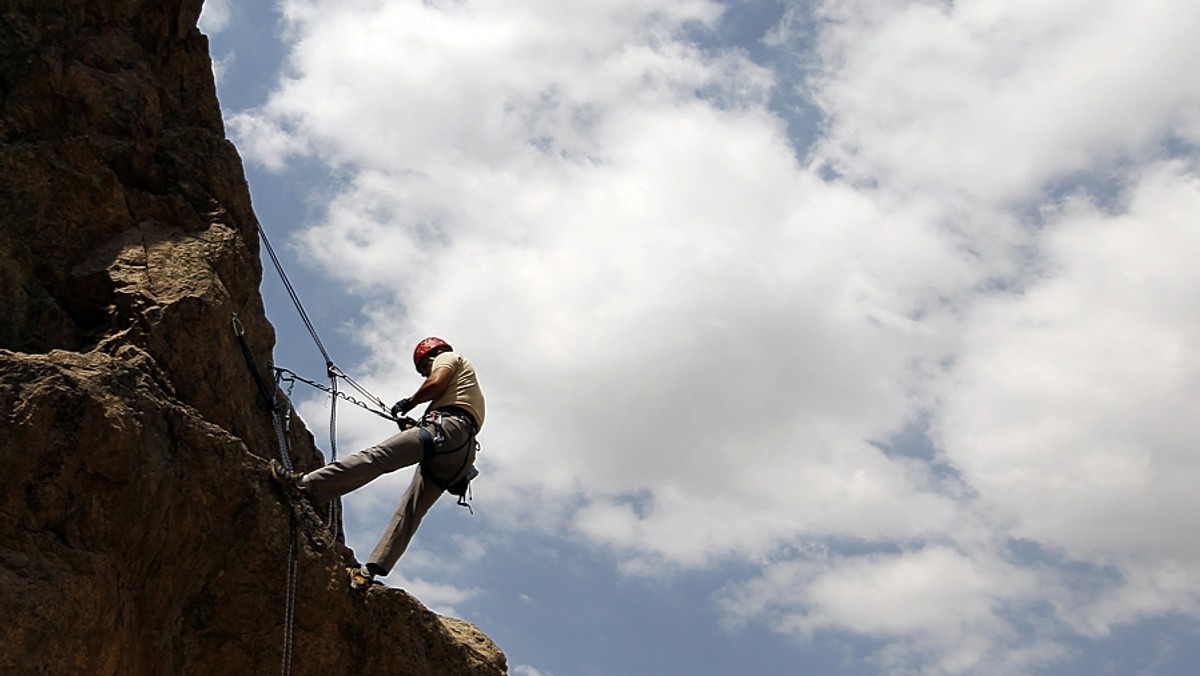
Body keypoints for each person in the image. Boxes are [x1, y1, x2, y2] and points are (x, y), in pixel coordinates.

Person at [271, 337, 485, 590]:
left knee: (377, 458)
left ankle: (305, 485)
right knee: (410, 511)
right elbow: (452, 404)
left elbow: (436, 383)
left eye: (423, 369)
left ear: (429, 356)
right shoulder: (466, 388)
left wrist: (411, 402)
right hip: (460, 454)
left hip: (447, 430)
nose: (425, 373)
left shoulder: (449, 358)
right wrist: (417, 424)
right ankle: (369, 572)